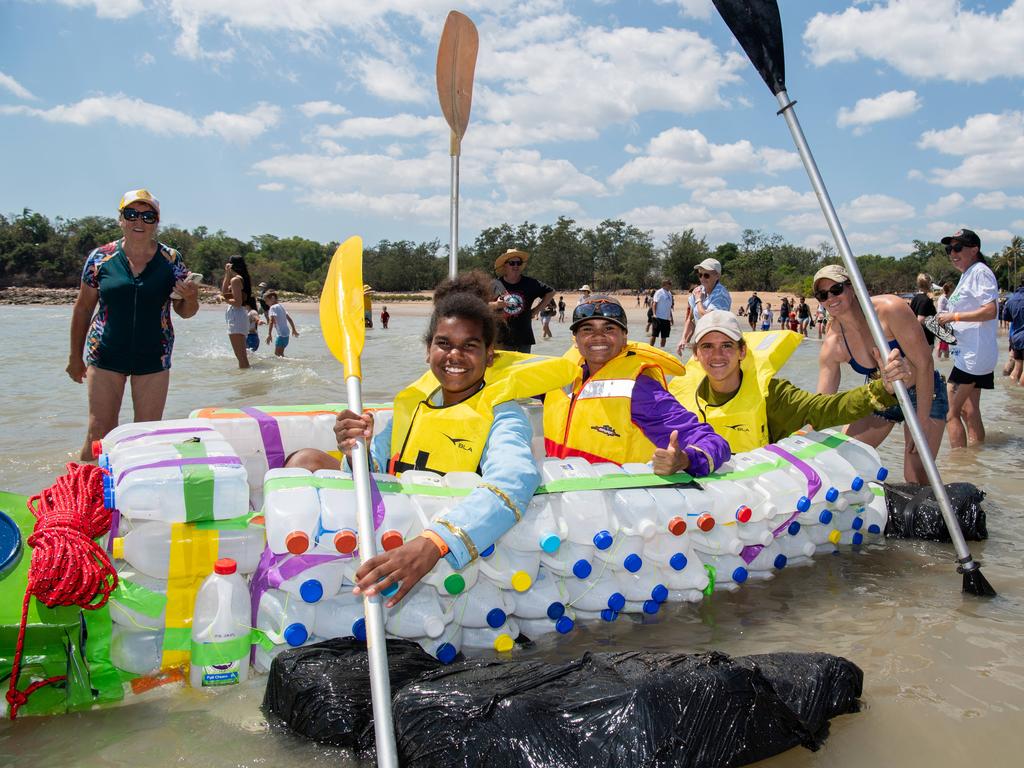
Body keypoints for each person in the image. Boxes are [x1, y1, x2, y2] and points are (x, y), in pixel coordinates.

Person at [285, 272, 576, 606]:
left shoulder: (503, 414)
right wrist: (356, 450)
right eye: (444, 344)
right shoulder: (414, 405)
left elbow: (513, 481)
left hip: (447, 550)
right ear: (428, 351)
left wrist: (434, 543)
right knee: (304, 459)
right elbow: (376, 469)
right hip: (395, 527)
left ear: (489, 355)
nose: (455, 355)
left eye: (470, 346)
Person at [67, 189, 199, 460]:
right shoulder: (99, 258)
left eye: (148, 216)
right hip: (105, 353)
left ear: (156, 222)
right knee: (99, 432)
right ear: (121, 219)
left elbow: (185, 311)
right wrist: (74, 357)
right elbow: (83, 309)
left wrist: (191, 297)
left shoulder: (171, 260)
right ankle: (83, 492)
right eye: (132, 214)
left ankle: (135, 496)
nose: (139, 221)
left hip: (154, 356)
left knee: (147, 434)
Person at [669, 311, 912, 453]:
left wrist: (882, 388)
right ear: (696, 354)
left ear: (743, 351)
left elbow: (824, 409)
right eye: (707, 347)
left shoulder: (773, 395)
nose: (717, 356)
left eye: (727, 346)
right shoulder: (676, 401)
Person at [544, 296, 729, 476]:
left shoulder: (640, 389)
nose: (598, 336)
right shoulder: (565, 375)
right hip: (563, 489)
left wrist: (685, 459)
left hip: (614, 500)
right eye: (587, 329)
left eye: (609, 328)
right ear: (575, 339)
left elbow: (712, 441)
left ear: (624, 337)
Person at [814, 264, 947, 483]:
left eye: (836, 290)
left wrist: (921, 422)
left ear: (853, 287)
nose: (830, 298)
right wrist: (802, 434)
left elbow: (924, 363)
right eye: (822, 295)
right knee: (843, 459)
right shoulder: (833, 342)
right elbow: (821, 403)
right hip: (883, 398)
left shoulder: (889, 309)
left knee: (916, 476)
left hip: (923, 394)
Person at [934, 228, 999, 448]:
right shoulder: (967, 274)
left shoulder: (980, 271)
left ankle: (958, 468)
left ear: (974, 249)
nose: (952, 253)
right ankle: (976, 460)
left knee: (949, 412)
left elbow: (990, 311)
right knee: (969, 410)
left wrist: (954, 316)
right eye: (949, 249)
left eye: (958, 248)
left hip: (973, 356)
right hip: (970, 352)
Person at [491, 248, 555, 353]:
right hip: (501, 340)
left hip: (524, 339)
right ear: (505, 265)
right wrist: (495, 304)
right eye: (512, 263)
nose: (516, 266)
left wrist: (536, 310)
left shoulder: (530, 283)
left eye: (518, 263)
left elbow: (551, 292)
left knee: (523, 368)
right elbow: (480, 305)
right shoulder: (494, 284)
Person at [679, 258, 731, 350]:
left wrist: (698, 300)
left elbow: (707, 317)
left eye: (706, 275)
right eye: (700, 275)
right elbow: (690, 319)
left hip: (717, 344)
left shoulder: (721, 294)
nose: (702, 278)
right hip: (702, 341)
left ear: (717, 276)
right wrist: (683, 339)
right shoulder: (698, 290)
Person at [222, 254, 257, 369]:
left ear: (231, 265)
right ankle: (245, 379)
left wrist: (222, 299)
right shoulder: (240, 278)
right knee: (241, 355)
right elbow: (224, 291)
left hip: (237, 315)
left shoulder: (236, 280)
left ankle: (246, 382)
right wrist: (227, 274)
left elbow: (237, 302)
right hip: (238, 315)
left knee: (241, 357)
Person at [265, 290, 299, 356]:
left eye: (266, 301)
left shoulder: (272, 307)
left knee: (277, 354)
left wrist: (269, 334)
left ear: (272, 298)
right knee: (281, 354)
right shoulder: (281, 306)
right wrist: (294, 330)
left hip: (281, 335)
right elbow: (289, 319)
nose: (266, 303)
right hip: (286, 335)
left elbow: (271, 321)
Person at [1004, 279, 1024, 385]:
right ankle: (1020, 395)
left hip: (1015, 336)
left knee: (1017, 367)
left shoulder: (1011, 299)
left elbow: (1007, 318)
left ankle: (1012, 389)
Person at [649, 279, 674, 349]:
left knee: (664, 336)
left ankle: (662, 349)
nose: (670, 285)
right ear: (664, 285)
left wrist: (671, 318)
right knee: (654, 335)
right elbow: (654, 303)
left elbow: (669, 307)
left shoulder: (669, 294)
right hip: (658, 317)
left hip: (666, 319)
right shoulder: (659, 292)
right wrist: (654, 314)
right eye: (669, 284)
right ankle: (650, 349)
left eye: (670, 284)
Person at [936, 282, 953, 360]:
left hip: (947, 322)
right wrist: (950, 313)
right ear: (949, 289)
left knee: (946, 341)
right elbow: (939, 311)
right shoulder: (942, 298)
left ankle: (945, 359)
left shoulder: (948, 298)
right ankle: (939, 358)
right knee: (942, 342)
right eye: (952, 289)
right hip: (942, 321)